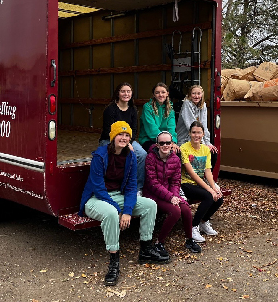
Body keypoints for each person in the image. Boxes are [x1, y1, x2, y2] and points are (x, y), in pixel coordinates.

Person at [79, 121, 169, 286]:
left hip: (118, 196)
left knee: (150, 205)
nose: (123, 138)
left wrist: (127, 210)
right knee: (112, 214)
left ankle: (146, 250)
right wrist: (118, 210)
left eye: (127, 135)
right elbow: (98, 189)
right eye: (120, 134)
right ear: (113, 136)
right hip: (96, 199)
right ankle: (114, 261)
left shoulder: (131, 156)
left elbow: (131, 186)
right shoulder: (100, 156)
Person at [143, 131, 202, 255]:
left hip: (170, 193)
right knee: (175, 211)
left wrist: (175, 195)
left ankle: (189, 239)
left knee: (186, 209)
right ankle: (159, 243)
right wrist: (171, 197)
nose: (165, 145)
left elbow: (176, 182)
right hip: (153, 193)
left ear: (172, 144)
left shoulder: (175, 159)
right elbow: (153, 183)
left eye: (168, 143)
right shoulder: (150, 158)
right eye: (162, 143)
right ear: (157, 145)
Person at [180, 120, 223, 243]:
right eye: (193, 132)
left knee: (219, 197)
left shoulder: (205, 149)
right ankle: (193, 226)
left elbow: (208, 171)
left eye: (199, 133)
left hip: (200, 183)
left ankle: (204, 222)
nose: (196, 135)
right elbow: (192, 174)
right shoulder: (184, 148)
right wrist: (209, 189)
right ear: (189, 133)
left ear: (203, 134)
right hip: (186, 183)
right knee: (209, 196)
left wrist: (214, 186)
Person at [99, 82, 147, 190]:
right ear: (118, 93)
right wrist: (123, 144)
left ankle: (138, 188)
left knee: (143, 154)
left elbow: (134, 130)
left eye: (128, 91)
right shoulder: (110, 109)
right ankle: (107, 186)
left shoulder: (133, 109)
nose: (126, 94)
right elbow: (108, 130)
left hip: (128, 140)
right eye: (123, 91)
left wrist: (128, 143)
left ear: (131, 94)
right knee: (107, 155)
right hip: (109, 140)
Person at [176, 85, 218, 153]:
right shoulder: (186, 103)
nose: (196, 96)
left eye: (199, 93)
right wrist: (203, 144)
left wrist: (208, 143)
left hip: (197, 137)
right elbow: (191, 126)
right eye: (193, 93)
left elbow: (204, 125)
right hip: (184, 138)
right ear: (190, 94)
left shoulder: (203, 105)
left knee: (212, 151)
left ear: (202, 94)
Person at [139, 82, 179, 153]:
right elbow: (151, 128)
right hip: (149, 139)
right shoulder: (148, 107)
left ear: (167, 94)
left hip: (166, 141)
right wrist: (164, 142)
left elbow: (171, 128)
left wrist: (173, 142)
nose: (160, 95)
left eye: (163, 92)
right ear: (154, 95)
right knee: (159, 152)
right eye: (157, 93)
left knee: (176, 152)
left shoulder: (170, 109)